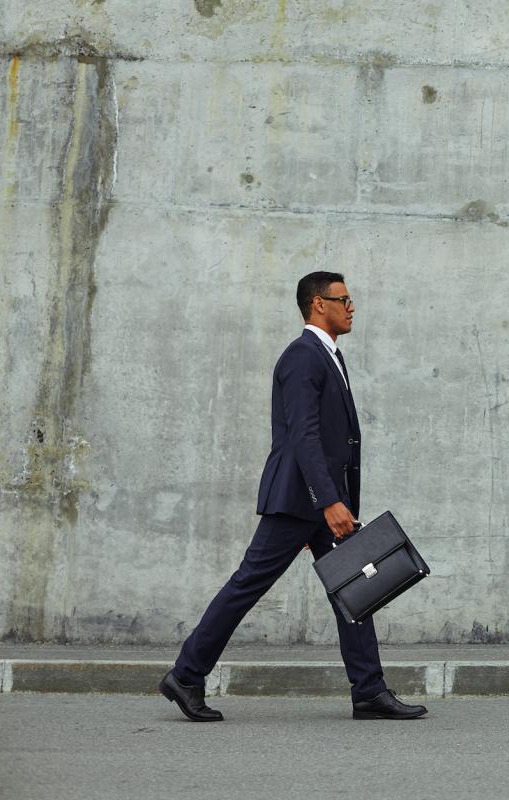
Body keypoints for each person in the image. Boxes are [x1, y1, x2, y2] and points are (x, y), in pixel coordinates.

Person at [158, 271, 426, 722]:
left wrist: (337, 498)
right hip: (300, 500)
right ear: (319, 304)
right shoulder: (303, 356)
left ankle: (369, 691)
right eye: (343, 300)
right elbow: (304, 435)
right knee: (248, 584)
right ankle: (185, 675)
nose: (352, 307)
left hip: (320, 499)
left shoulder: (328, 356)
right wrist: (328, 501)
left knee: (354, 586)